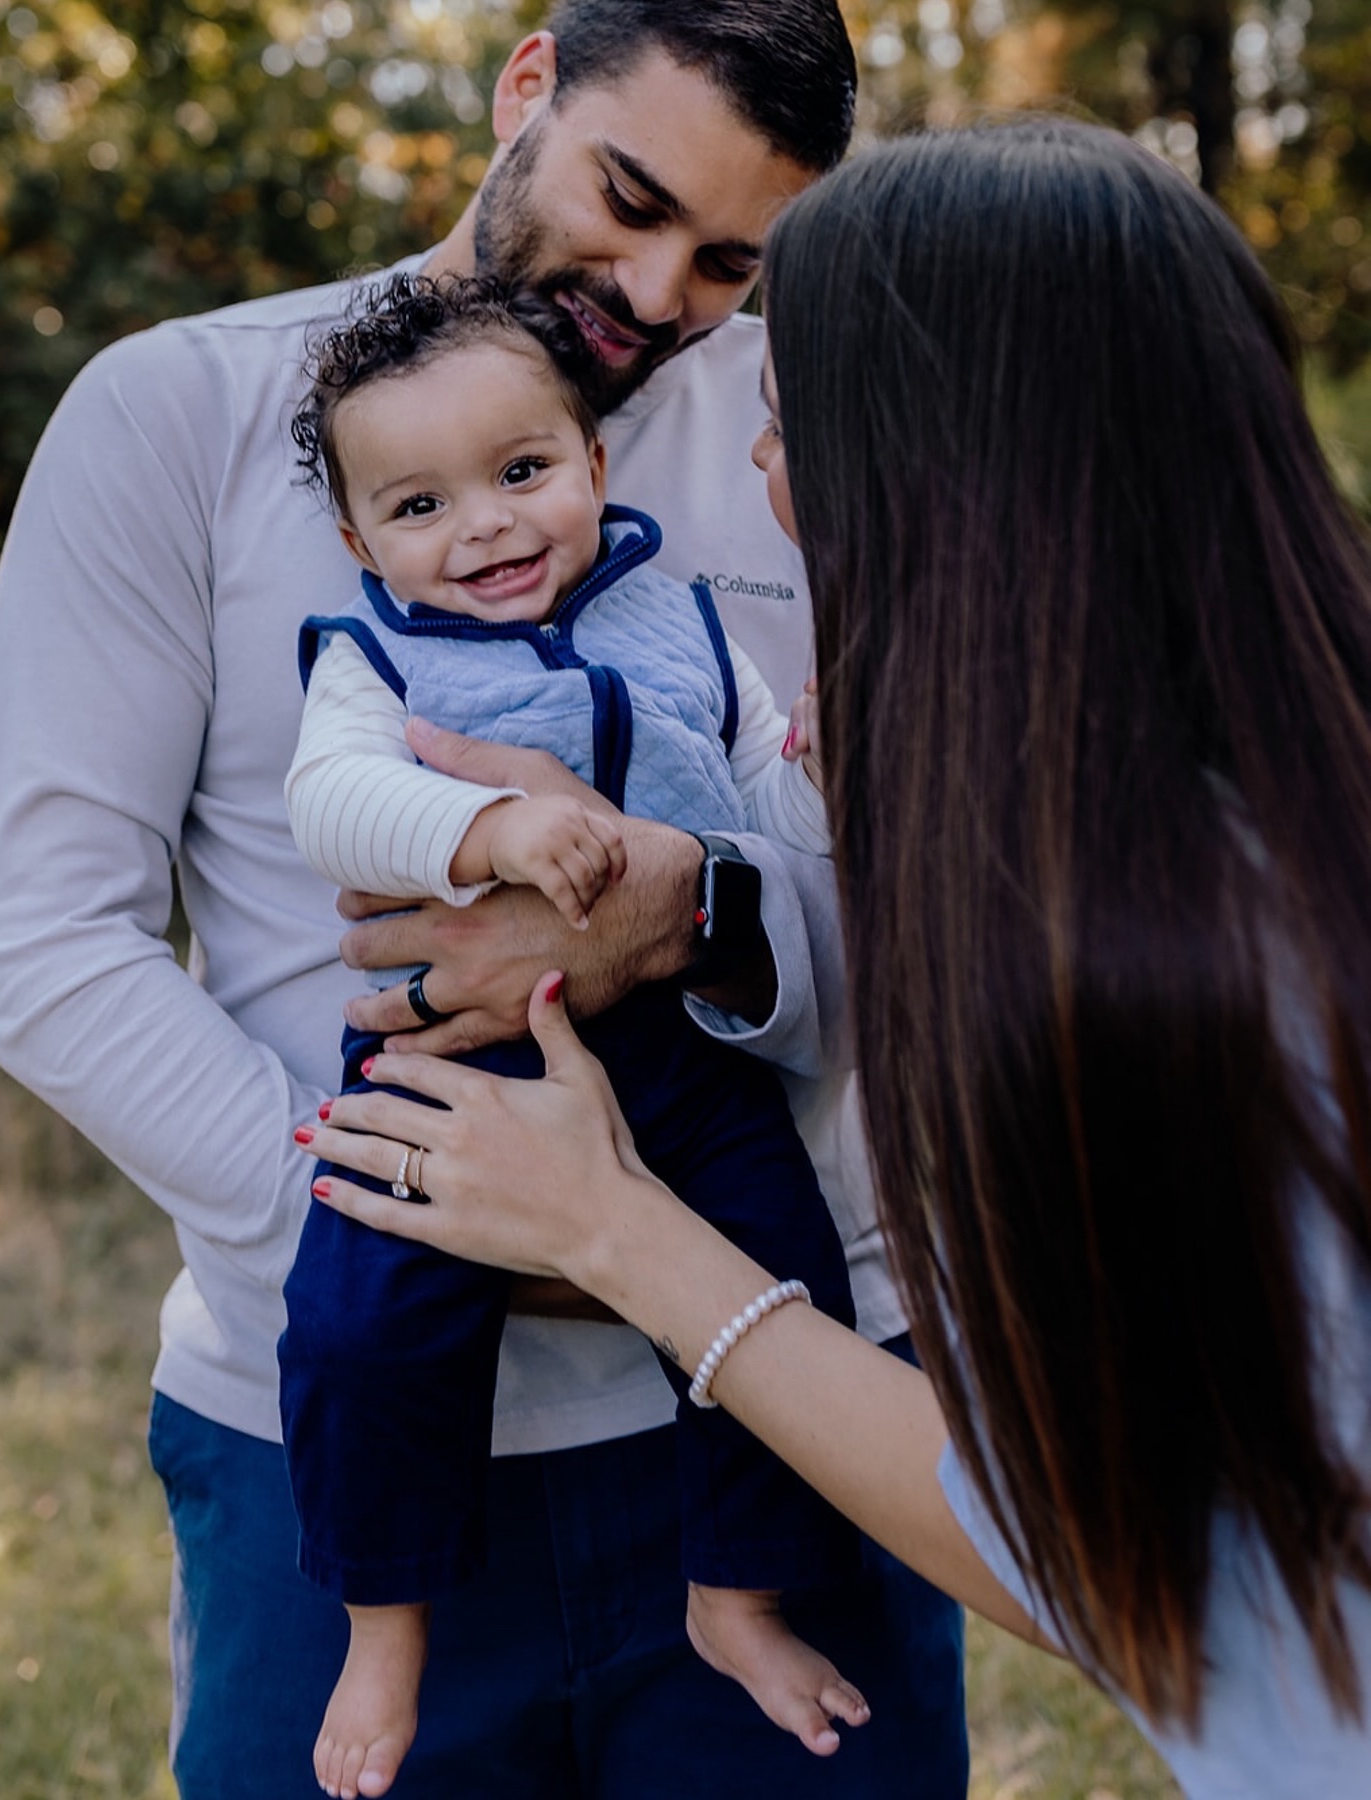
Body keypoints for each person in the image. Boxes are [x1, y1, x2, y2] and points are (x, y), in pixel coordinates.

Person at [0, 3, 968, 1796]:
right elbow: (47, 949)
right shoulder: (183, 415)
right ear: (525, 90)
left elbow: (924, 893)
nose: (660, 294)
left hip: (789, 1396)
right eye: (628, 197)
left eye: (730, 259)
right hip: (330, 1424)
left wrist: (695, 912)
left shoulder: (818, 433)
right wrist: (417, 1219)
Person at [298, 118, 1371, 1799]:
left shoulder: (1193, 956)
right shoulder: (1148, 792)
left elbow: (1092, 1556)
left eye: (789, 425)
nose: (764, 476)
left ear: (941, 466)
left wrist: (612, 1225)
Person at [279, 272, 866, 1797]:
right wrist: (489, 825)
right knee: (360, 1324)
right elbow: (332, 801)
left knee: (778, 1280)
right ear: (359, 545)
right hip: (450, 1060)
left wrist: (812, 774)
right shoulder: (374, 663)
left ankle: (733, 1595)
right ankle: (384, 1622)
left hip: (681, 1050)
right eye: (419, 505)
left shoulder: (677, 624)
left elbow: (754, 811)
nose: (482, 527)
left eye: (523, 473)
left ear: (596, 468)